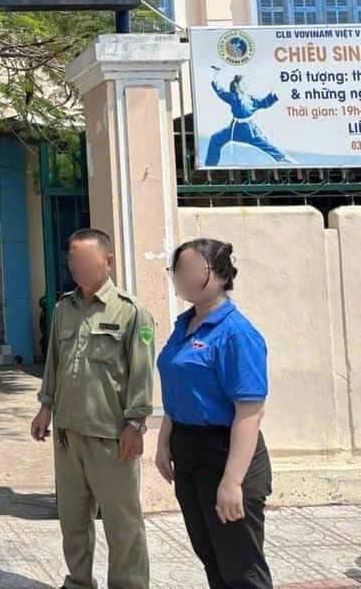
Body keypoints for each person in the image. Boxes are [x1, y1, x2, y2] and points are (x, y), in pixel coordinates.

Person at [31, 228, 155, 589]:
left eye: (85, 259)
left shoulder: (132, 312)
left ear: (107, 261)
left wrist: (136, 424)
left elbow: (142, 373)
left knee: (122, 523)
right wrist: (45, 407)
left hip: (111, 437)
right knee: (72, 519)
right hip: (68, 435)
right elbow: (54, 362)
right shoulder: (62, 308)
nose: (77, 266)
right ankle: (78, 581)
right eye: (72, 259)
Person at [157, 238, 273, 588]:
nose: (180, 276)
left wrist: (232, 481)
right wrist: (164, 443)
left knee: (241, 566)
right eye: (177, 269)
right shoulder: (185, 325)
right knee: (211, 556)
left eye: (189, 269)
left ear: (220, 274)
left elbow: (249, 413)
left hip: (226, 454)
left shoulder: (236, 334)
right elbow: (179, 390)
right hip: (188, 451)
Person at [204, 66, 293, 166]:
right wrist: (215, 74)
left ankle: (285, 159)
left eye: (246, 83)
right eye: (243, 83)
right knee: (215, 138)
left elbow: (264, 103)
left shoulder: (251, 99)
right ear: (236, 85)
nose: (246, 86)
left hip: (249, 130)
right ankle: (210, 166)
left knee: (267, 145)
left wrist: (273, 92)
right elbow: (219, 90)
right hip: (235, 128)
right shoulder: (232, 97)